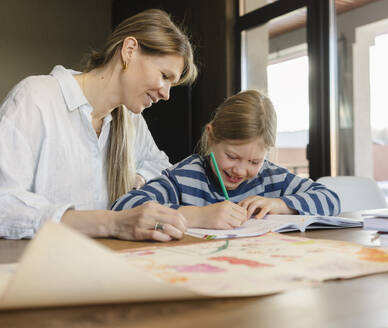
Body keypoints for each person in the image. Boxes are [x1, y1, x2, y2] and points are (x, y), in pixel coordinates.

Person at [0, 9, 197, 241]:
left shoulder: (131, 119)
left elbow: (160, 166)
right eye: (165, 76)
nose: (166, 94)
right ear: (129, 50)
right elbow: (4, 203)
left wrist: (136, 178)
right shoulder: (36, 98)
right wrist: (112, 223)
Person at [112, 90, 340, 229]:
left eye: (254, 162)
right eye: (232, 156)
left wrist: (280, 205)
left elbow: (330, 199)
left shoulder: (272, 178)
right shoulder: (184, 177)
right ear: (211, 136)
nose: (240, 171)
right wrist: (198, 216)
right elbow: (124, 208)